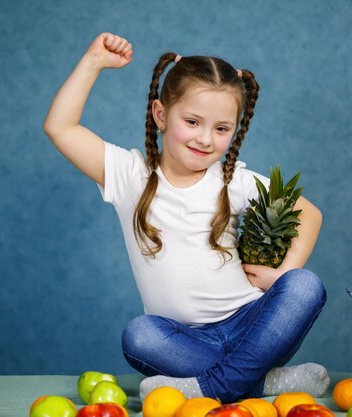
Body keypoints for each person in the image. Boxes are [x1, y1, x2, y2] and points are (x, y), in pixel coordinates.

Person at [43, 32, 328, 403]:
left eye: (221, 128)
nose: (206, 139)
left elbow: (310, 213)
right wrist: (93, 62)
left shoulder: (232, 180)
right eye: (192, 122)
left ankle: (215, 387)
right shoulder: (130, 175)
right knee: (139, 336)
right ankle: (259, 382)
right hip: (182, 340)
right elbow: (60, 127)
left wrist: (283, 272)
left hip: (252, 327)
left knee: (305, 285)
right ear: (161, 114)